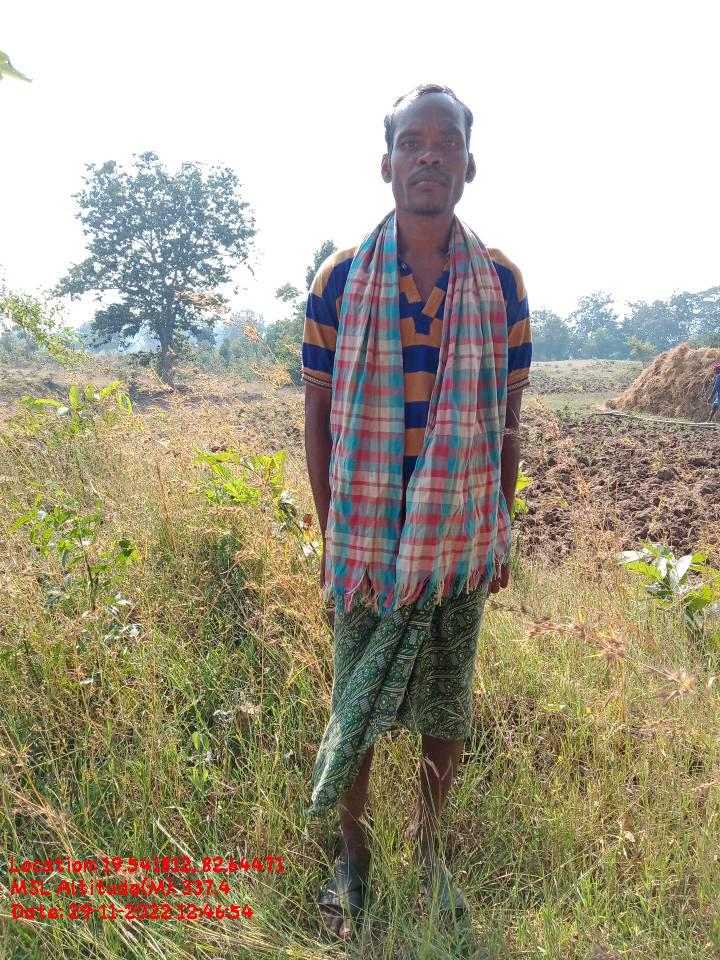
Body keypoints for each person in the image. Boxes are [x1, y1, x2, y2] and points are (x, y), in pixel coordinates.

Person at [301, 83, 532, 941]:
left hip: (460, 538)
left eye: (447, 142)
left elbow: (508, 423)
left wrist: (497, 529)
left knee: (445, 706)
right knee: (356, 703)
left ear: (470, 165)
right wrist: (334, 533)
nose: (429, 154)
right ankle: (353, 853)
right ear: (386, 163)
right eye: (412, 141)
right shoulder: (339, 280)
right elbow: (317, 420)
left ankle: (431, 851)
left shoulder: (500, 283)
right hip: (366, 543)